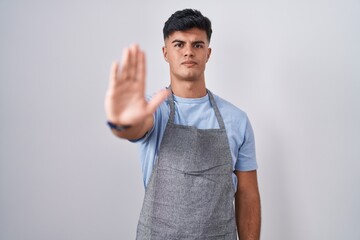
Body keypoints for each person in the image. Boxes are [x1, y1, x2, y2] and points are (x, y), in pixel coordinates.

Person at [105, 9, 261, 240]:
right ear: (165, 52)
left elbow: (248, 195)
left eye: (197, 45)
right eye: (179, 44)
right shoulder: (153, 109)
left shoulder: (236, 119)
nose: (189, 51)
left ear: (208, 53)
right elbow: (136, 127)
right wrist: (123, 122)